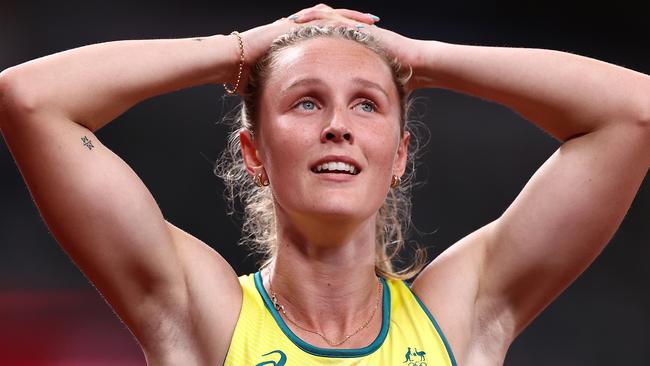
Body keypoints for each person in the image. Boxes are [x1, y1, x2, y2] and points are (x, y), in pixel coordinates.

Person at [0, 3, 648, 365]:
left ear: (397, 156)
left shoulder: (461, 318)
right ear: (253, 152)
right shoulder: (202, 316)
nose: (338, 126)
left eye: (366, 104)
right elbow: (29, 98)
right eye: (306, 102)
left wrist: (420, 58)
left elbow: (633, 113)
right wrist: (241, 47)